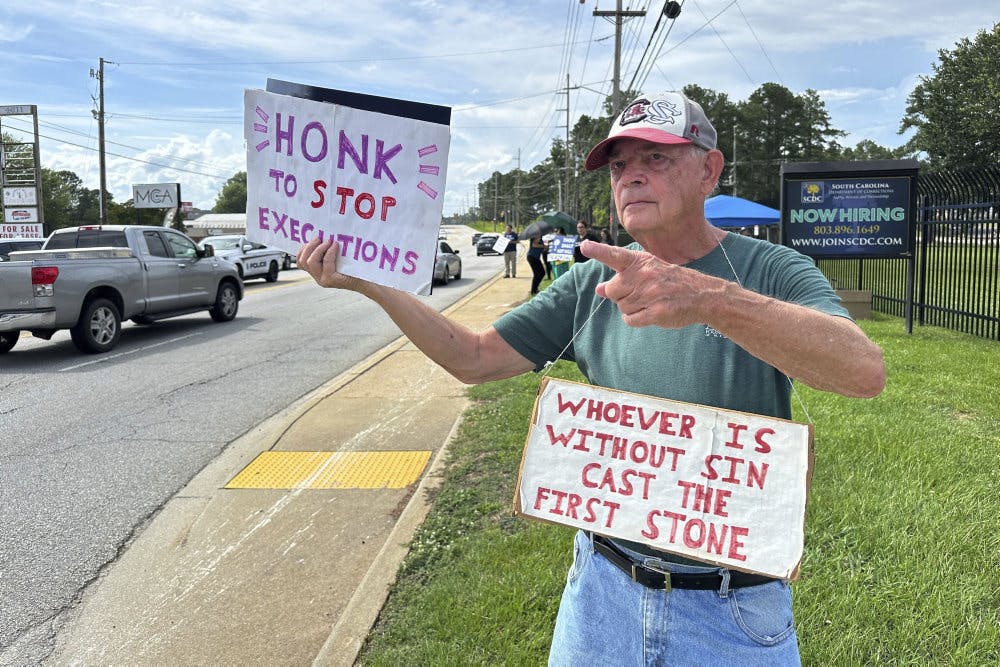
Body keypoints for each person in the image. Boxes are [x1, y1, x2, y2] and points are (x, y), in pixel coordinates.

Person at [297, 90, 886, 665]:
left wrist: (709, 298)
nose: (631, 176)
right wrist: (371, 282)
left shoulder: (771, 268)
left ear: (709, 170)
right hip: (602, 588)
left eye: (656, 158)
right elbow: (473, 358)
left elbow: (863, 372)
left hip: (732, 604)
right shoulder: (590, 284)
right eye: (620, 165)